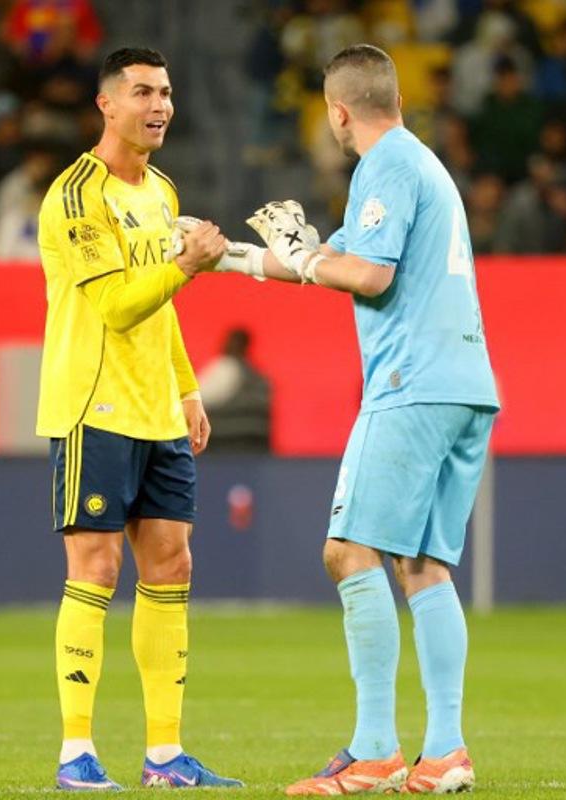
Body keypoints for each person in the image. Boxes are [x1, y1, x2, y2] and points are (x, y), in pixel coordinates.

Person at [205, 43, 499, 795]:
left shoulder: (387, 167)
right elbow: (329, 260)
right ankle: (446, 753)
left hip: (412, 384)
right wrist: (233, 259)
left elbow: (366, 275)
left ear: (338, 112)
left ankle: (374, 750)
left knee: (347, 551)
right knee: (422, 564)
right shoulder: (419, 164)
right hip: (466, 385)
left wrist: (309, 261)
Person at [34, 46, 240, 791]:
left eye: (168, 92)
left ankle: (163, 756)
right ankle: (76, 753)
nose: (161, 106)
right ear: (107, 105)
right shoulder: (75, 197)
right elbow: (120, 304)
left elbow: (162, 311)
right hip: (95, 406)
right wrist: (186, 264)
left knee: (172, 566)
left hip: (157, 409)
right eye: (145, 91)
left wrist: (186, 389)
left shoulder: (161, 191)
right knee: (96, 567)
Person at [196, 328, 271, 452]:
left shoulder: (225, 368)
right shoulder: (258, 377)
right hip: (250, 446)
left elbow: (198, 399)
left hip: (224, 444)